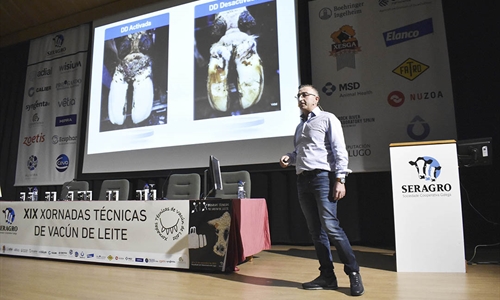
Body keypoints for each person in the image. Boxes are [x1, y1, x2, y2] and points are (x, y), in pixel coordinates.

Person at [280, 84, 364, 296]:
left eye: (305, 94)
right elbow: (301, 151)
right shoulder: (300, 126)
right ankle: (327, 276)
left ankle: (353, 272)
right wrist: (290, 158)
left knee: (331, 226)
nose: (300, 98)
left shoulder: (328, 119)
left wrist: (340, 179)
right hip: (302, 180)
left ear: (316, 99)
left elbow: (339, 150)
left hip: (323, 178)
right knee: (315, 232)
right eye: (298, 95)